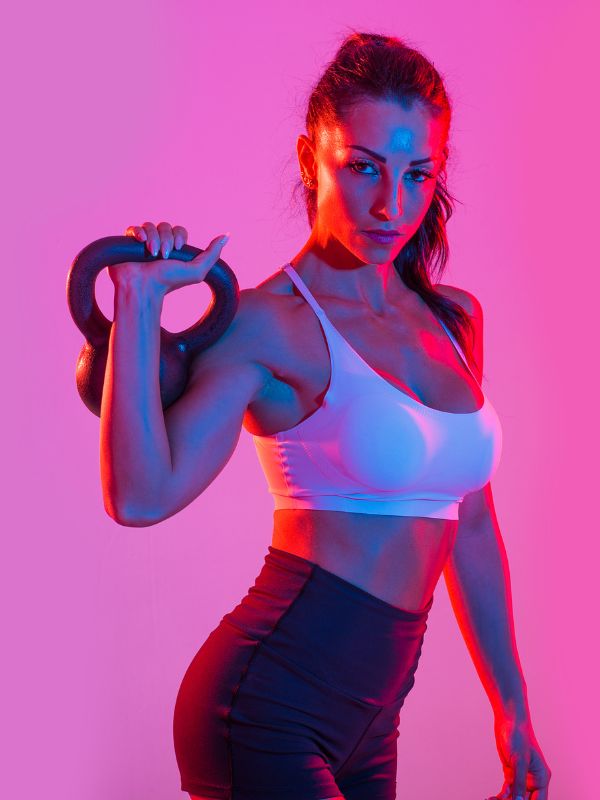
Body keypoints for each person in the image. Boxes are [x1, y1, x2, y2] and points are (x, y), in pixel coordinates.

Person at [102, 30, 551, 800]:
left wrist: (512, 713)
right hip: (266, 708)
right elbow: (142, 496)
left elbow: (471, 525)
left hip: (374, 723)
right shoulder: (265, 323)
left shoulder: (456, 320)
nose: (392, 204)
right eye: (363, 169)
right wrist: (138, 307)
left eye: (418, 175)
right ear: (311, 156)